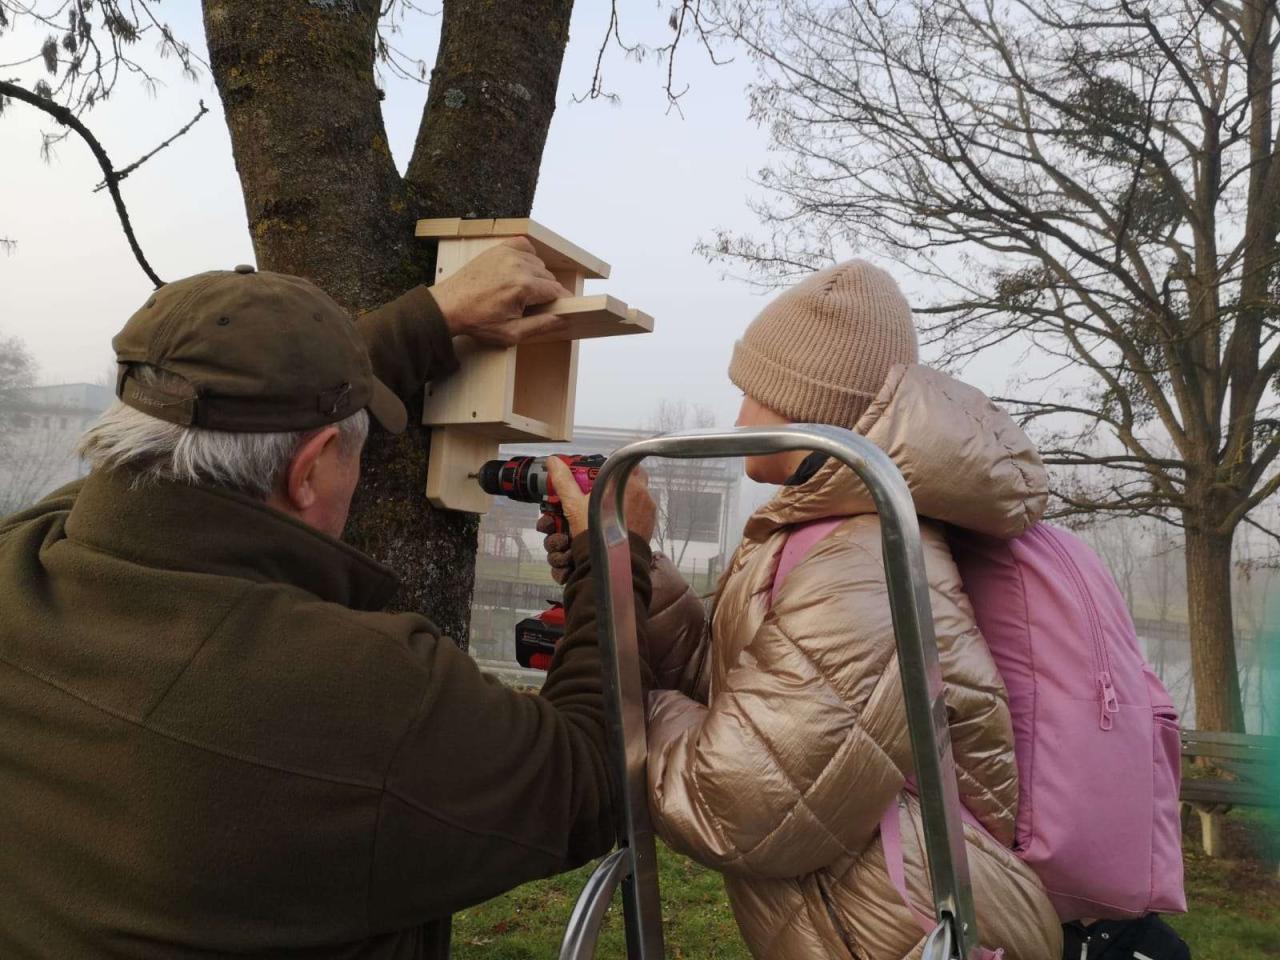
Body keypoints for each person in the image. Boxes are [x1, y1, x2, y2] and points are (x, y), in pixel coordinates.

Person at [0, 240, 659, 960]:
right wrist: (614, 554)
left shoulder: (22, 556)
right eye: (352, 449)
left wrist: (432, 320)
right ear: (310, 470)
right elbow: (590, 780)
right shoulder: (353, 685)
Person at [542, 261, 1064, 959]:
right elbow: (747, 690)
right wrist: (621, 569)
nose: (738, 419)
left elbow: (745, 801)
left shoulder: (859, 564)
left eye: (753, 393)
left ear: (805, 404)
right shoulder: (826, 533)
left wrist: (624, 701)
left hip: (901, 934)